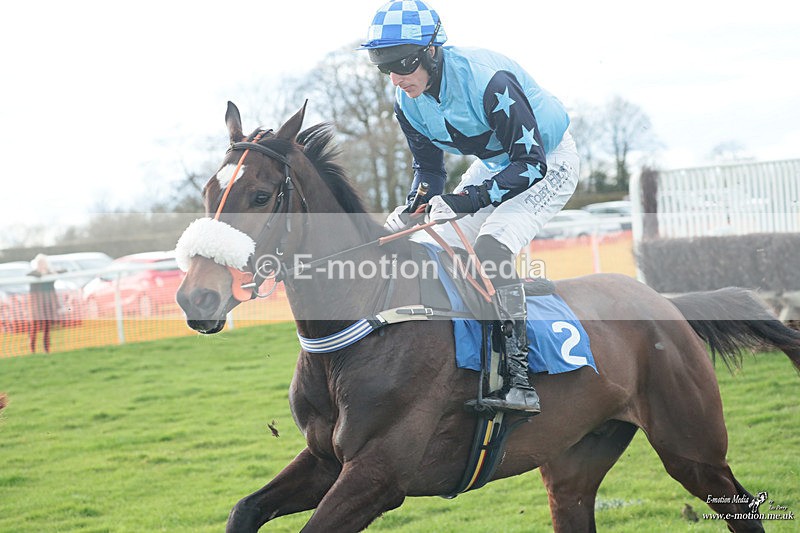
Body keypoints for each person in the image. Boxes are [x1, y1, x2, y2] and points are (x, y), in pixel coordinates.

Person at [359, 0, 580, 414]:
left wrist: (466, 200)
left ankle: (520, 380)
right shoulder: (407, 102)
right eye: (384, 67)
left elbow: (531, 165)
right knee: (437, 246)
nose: (396, 78)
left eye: (403, 64)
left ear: (431, 51)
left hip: (549, 162)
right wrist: (414, 208)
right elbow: (429, 171)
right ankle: (470, 360)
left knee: (493, 249)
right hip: (497, 164)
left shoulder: (488, 82)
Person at [28, 253, 59, 354]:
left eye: (43, 263)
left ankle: (47, 350)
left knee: (47, 328)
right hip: (36, 306)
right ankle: (32, 350)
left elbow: (61, 272)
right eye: (40, 263)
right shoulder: (33, 274)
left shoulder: (50, 274)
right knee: (35, 328)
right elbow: (30, 275)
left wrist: (51, 273)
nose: (42, 265)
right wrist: (41, 273)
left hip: (47, 305)